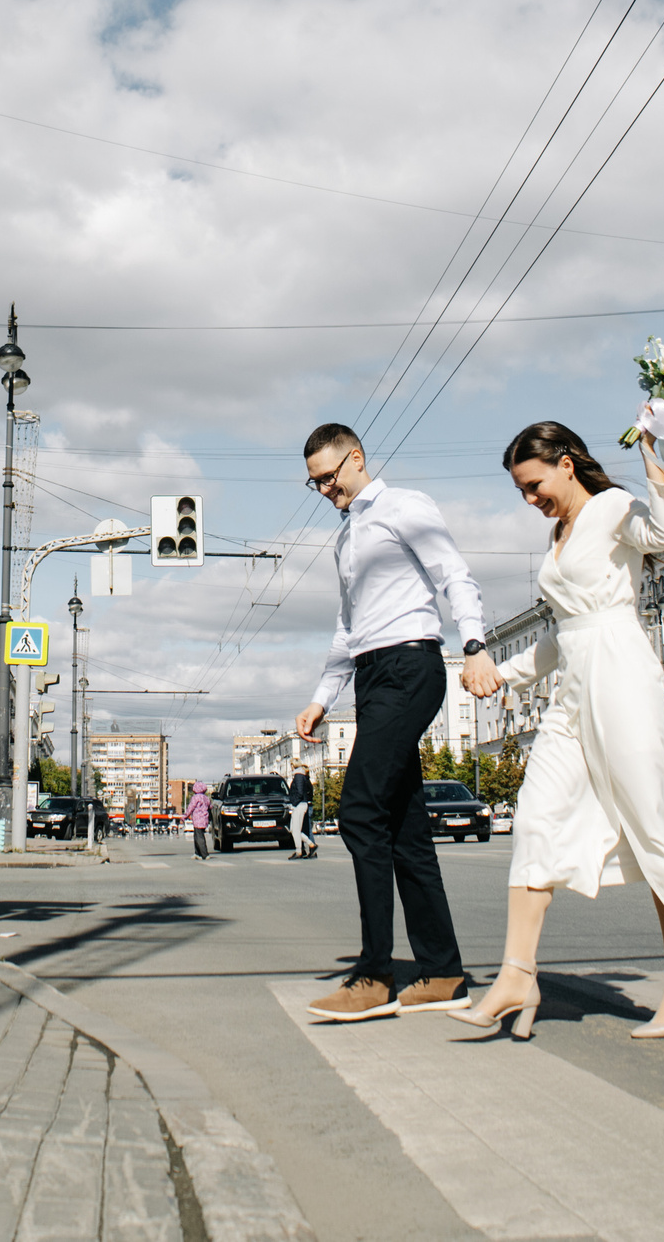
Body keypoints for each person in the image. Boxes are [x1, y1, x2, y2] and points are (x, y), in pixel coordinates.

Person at [450, 421, 664, 1042]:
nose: (529, 498)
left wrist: (653, 457)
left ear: (566, 464)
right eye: (520, 490)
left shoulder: (613, 508)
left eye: (533, 484)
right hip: (571, 694)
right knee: (536, 815)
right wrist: (498, 673)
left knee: (650, 824)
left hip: (621, 680)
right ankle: (516, 974)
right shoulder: (559, 535)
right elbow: (562, 635)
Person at [295, 422, 482, 1021]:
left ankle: (375, 975)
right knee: (404, 829)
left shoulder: (405, 506)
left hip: (412, 665)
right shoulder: (345, 539)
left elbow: (455, 573)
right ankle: (444, 971)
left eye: (330, 476)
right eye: (314, 483)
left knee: (358, 810)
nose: (325, 490)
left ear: (356, 458)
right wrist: (323, 698)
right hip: (373, 676)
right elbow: (347, 629)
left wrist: (474, 644)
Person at [288, 765, 317, 858]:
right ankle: (311, 845)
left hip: (299, 805)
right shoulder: (300, 776)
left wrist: (294, 804)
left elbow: (300, 793)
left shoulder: (299, 776)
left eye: (291, 765)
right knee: (293, 829)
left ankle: (299, 851)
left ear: (293, 766)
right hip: (300, 804)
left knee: (296, 830)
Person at [186, 782, 213, 858]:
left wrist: (185, 815)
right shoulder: (206, 798)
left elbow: (191, 807)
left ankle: (204, 854)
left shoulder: (195, 798)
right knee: (197, 836)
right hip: (204, 819)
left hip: (197, 820)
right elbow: (210, 806)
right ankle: (197, 853)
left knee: (199, 837)